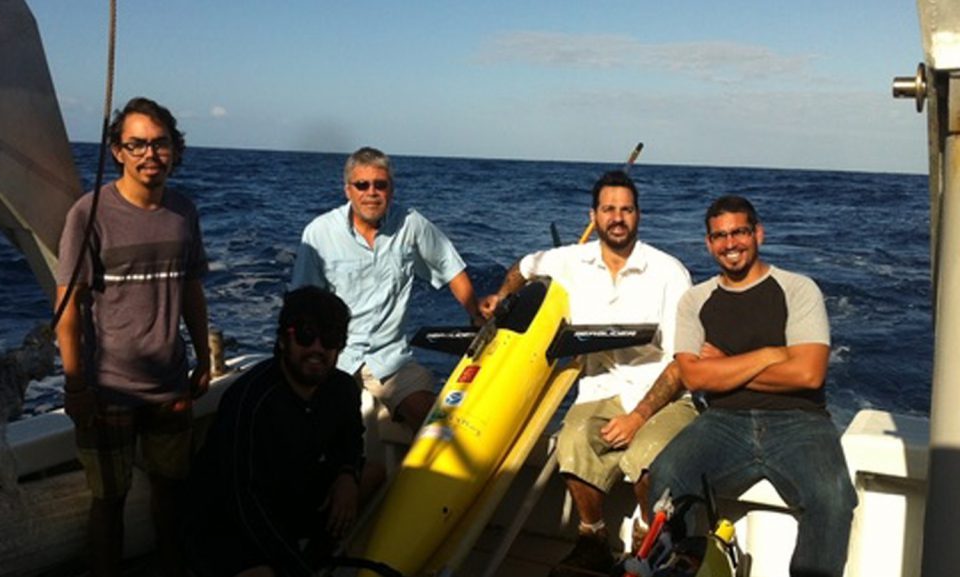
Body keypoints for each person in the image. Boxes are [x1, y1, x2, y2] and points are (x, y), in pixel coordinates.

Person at [479, 170, 695, 577]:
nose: (618, 218)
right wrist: (503, 298)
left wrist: (638, 418)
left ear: (639, 216)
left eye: (626, 210)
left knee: (648, 455)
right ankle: (592, 538)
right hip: (601, 388)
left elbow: (683, 362)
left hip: (663, 395)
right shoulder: (569, 262)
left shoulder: (670, 272)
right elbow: (522, 268)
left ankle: (650, 542)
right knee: (574, 439)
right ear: (593, 215)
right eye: (608, 209)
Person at [648, 195, 857, 577]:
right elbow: (694, 377)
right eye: (720, 236)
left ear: (758, 232)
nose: (731, 244)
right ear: (709, 243)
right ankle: (684, 567)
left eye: (740, 232)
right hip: (722, 420)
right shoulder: (695, 301)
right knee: (667, 475)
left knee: (833, 498)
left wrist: (723, 365)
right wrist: (773, 354)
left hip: (801, 421)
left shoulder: (797, 289)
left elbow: (809, 375)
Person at [54, 97, 211, 577]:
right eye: (137, 143)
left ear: (175, 150)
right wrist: (77, 384)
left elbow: (190, 291)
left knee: (171, 491)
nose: (150, 153)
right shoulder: (90, 213)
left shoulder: (183, 212)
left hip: (169, 386)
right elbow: (67, 310)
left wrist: (202, 357)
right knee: (109, 501)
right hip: (108, 391)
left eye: (160, 143)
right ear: (117, 151)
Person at [291, 146, 482, 488]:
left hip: (391, 359)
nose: (371, 193)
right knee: (318, 440)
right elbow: (302, 304)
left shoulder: (411, 225)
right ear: (347, 189)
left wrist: (476, 316)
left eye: (380, 185)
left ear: (391, 189)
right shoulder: (319, 233)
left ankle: (424, 503)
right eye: (362, 185)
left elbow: (451, 268)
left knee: (437, 428)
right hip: (337, 359)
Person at [184, 286, 363, 577]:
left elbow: (352, 440)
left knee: (374, 474)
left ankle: (317, 552)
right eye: (306, 336)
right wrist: (295, 566)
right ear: (283, 339)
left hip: (293, 502)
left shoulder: (342, 389)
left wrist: (348, 475)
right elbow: (243, 501)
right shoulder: (249, 402)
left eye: (329, 339)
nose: (317, 348)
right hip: (229, 522)